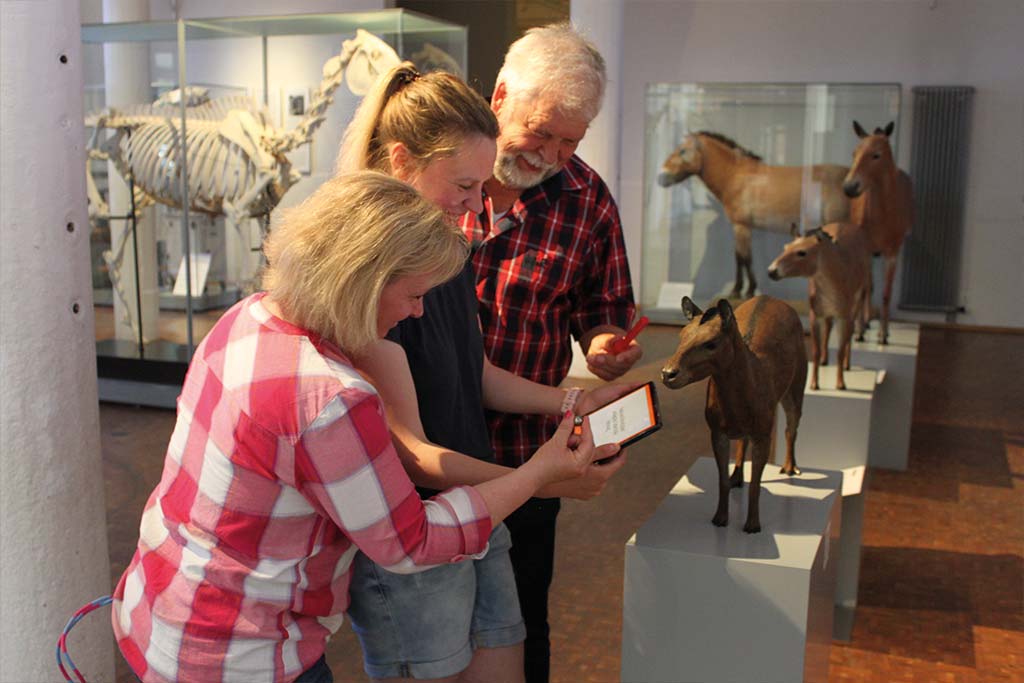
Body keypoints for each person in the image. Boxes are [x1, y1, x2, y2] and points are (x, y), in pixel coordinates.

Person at [109, 172, 604, 683]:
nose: (418, 311)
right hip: (242, 654)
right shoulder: (330, 398)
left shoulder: (245, 317)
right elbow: (410, 543)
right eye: (413, 294)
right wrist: (539, 473)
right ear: (362, 280)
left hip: (162, 610)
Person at [335, 63, 632, 683]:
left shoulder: (443, 247)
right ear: (401, 162)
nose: (478, 205)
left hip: (474, 512)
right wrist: (536, 480)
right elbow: (413, 454)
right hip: (416, 531)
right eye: (466, 185)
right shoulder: (369, 276)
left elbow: (477, 372)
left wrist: (569, 404)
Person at [458, 24, 643, 683]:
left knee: (521, 619)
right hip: (422, 455)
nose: (555, 154)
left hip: (527, 457)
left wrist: (603, 346)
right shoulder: (442, 177)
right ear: (501, 95)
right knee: (423, 627)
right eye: (543, 133)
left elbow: (604, 307)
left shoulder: (584, 197)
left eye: (571, 141)